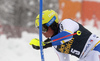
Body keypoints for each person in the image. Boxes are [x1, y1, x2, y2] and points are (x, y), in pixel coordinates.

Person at [29, 10, 100, 61]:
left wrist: (45, 44)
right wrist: (46, 43)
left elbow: (67, 36)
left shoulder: (66, 23)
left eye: (43, 28)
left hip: (95, 48)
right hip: (85, 57)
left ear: (52, 24)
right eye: (39, 28)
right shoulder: (56, 46)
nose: (42, 32)